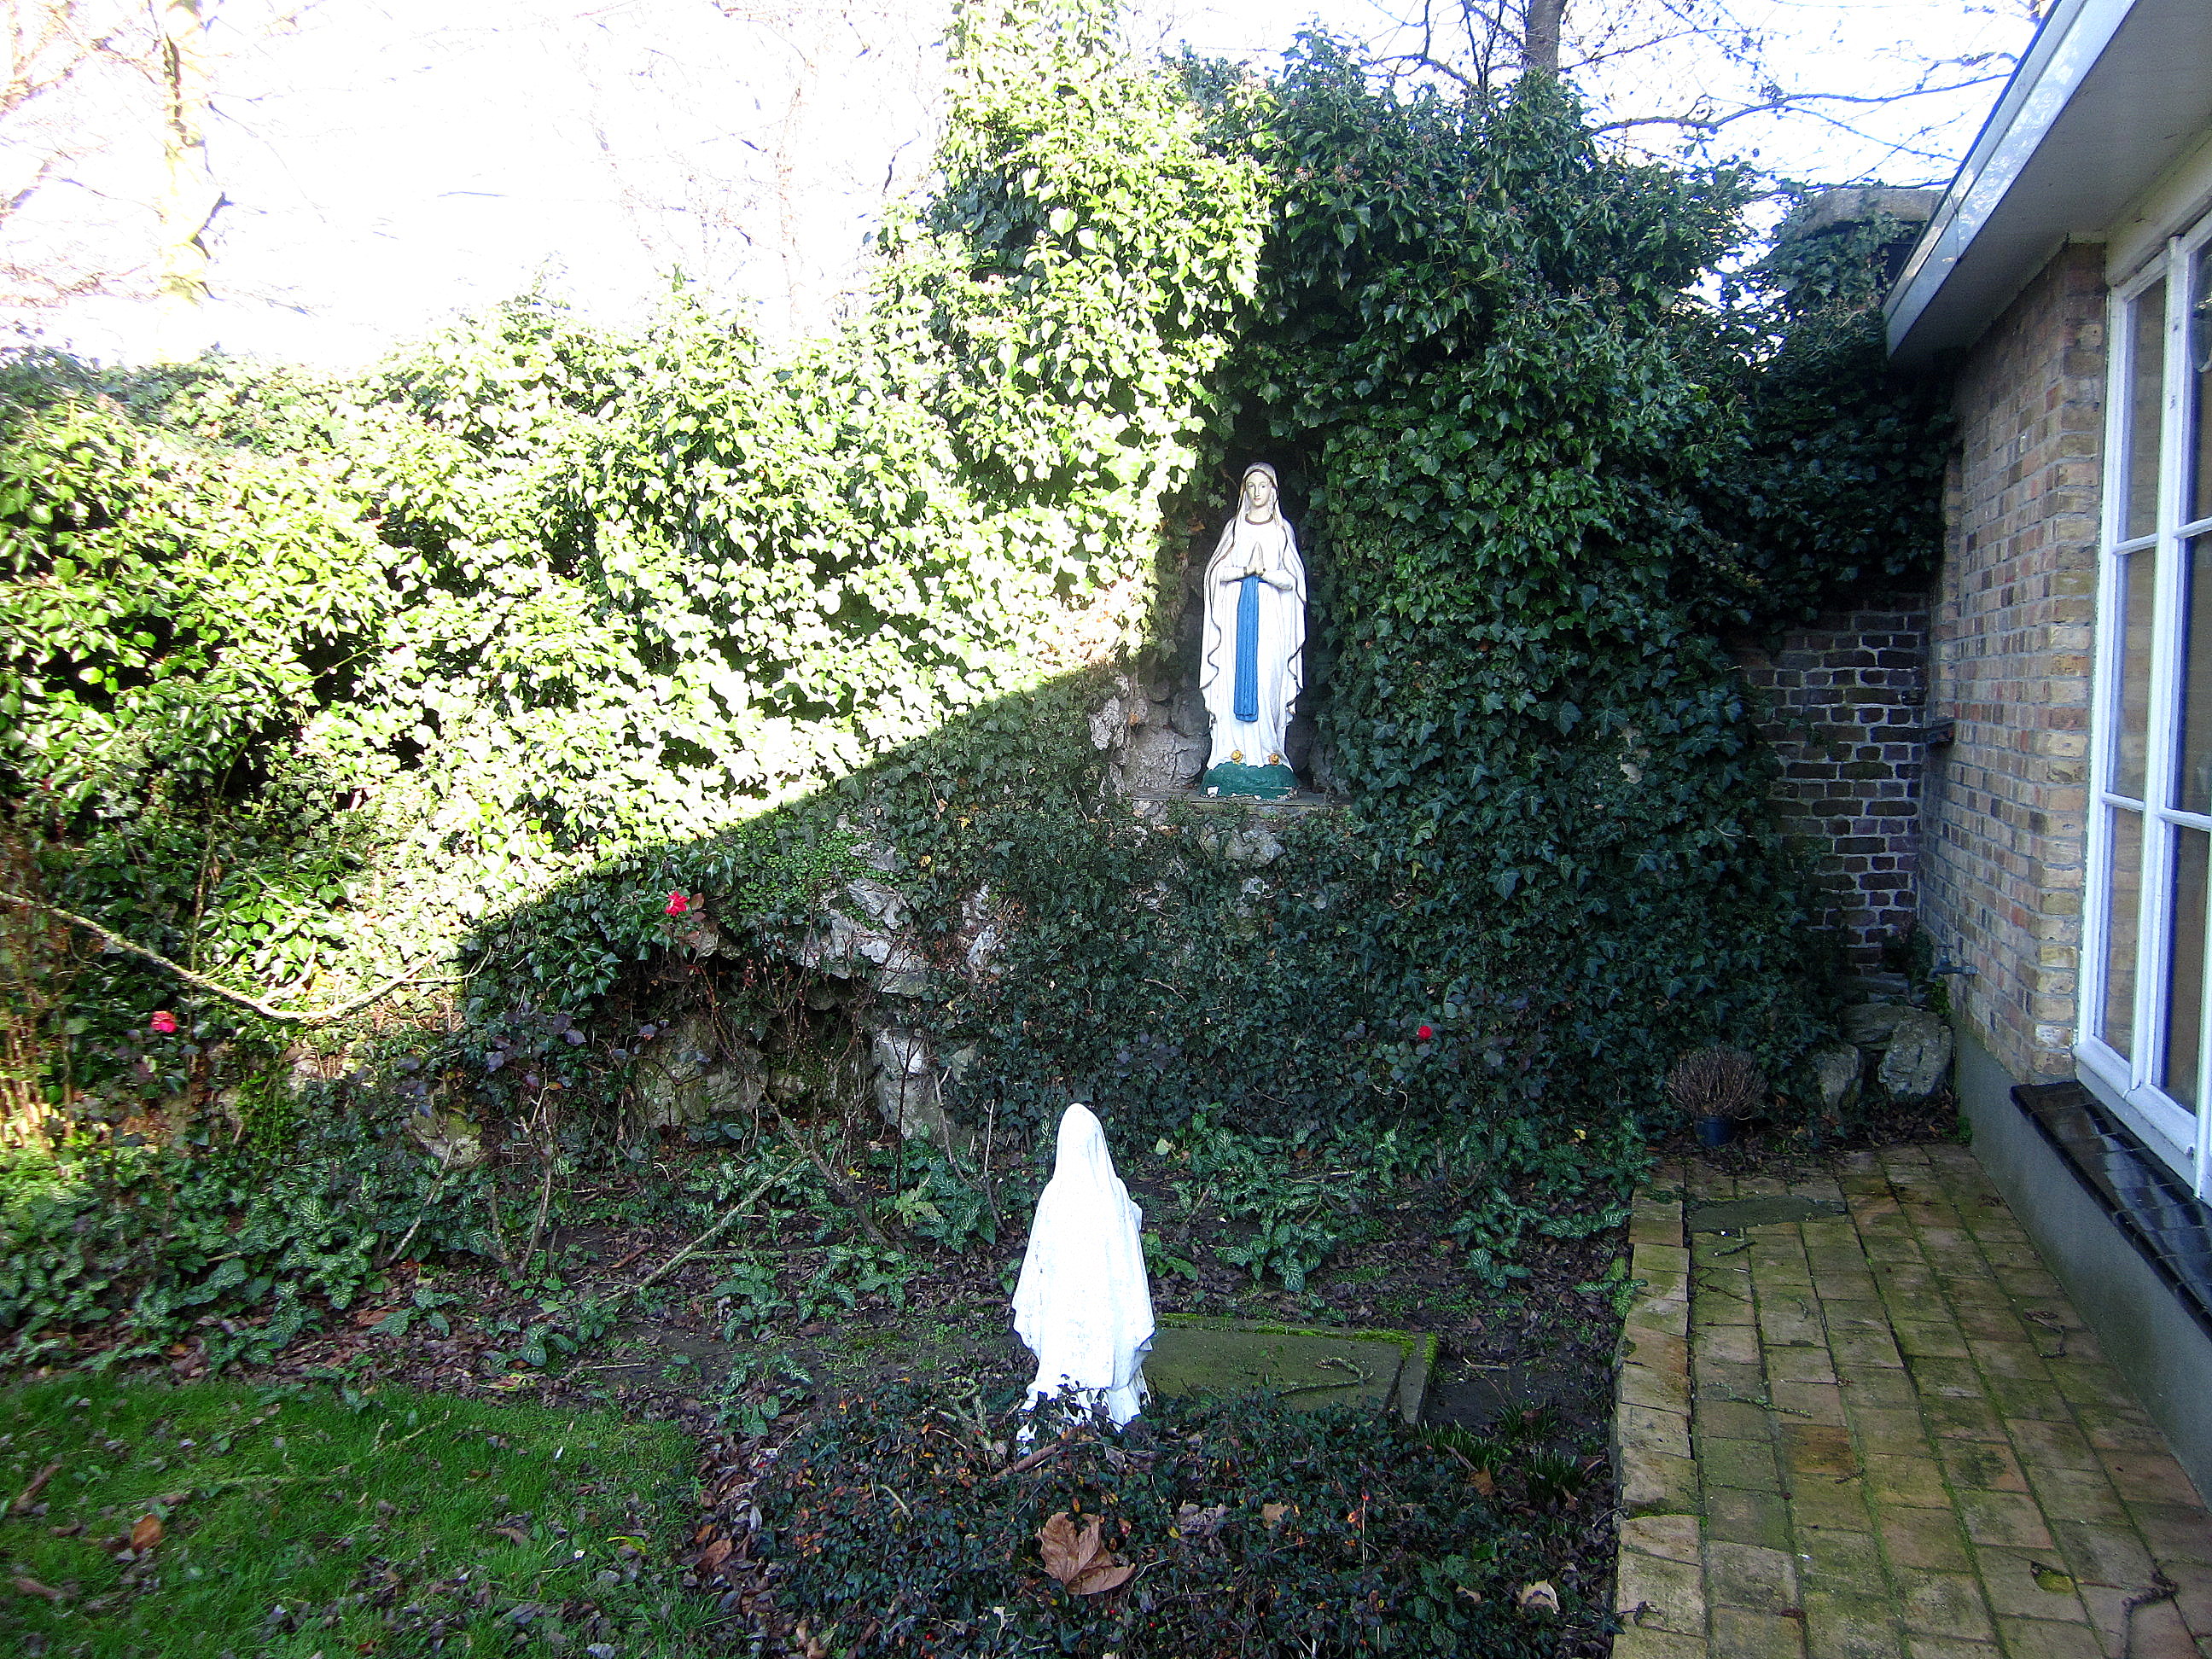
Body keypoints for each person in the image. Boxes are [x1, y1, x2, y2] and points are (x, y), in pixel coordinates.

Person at [1011, 1103, 1154, 1427]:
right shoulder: (1113, 1195)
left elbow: (1038, 1258)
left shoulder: (1054, 1196)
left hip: (1071, 1311)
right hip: (1097, 1310)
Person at [1197, 462, 1306, 778]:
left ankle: (1270, 751)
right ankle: (1233, 753)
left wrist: (1267, 574)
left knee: (1268, 678)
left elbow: (1294, 581)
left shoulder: (1282, 530)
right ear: (1245, 490)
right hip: (1235, 618)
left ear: (1273, 490)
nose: (1258, 493)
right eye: (1252, 486)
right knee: (1232, 677)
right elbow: (1216, 573)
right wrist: (1246, 571)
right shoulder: (1235, 529)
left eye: (1264, 486)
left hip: (1271, 618)